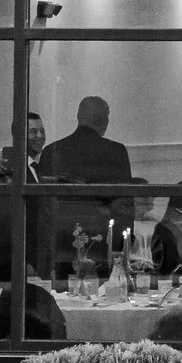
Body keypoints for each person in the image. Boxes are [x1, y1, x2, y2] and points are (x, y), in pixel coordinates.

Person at [36, 97, 135, 277]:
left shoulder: (52, 151)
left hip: (62, 242)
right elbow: (124, 204)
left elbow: (44, 208)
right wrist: (124, 244)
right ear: (105, 121)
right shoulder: (116, 152)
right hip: (103, 241)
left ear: (78, 116)